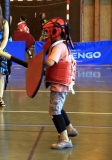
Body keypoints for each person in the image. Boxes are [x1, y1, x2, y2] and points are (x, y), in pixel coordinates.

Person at [42, 17, 78, 149]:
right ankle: (69, 129)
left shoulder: (58, 47)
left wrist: (38, 65)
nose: (46, 35)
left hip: (59, 84)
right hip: (62, 84)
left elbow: (50, 62)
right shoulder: (63, 45)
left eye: (48, 31)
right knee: (58, 107)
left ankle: (65, 139)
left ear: (55, 32)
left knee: (54, 110)